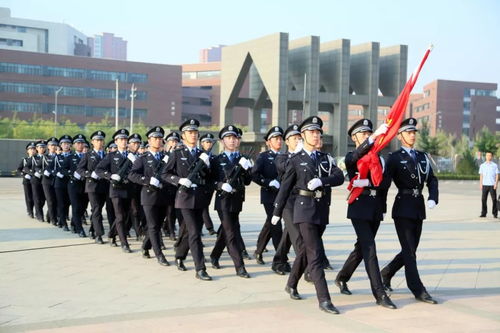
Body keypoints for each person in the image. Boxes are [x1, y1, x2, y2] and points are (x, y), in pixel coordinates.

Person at [272, 116, 345, 314]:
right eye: (312, 132)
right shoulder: (296, 160)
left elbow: (339, 177)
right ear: (303, 136)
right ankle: (324, 299)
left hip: (321, 209)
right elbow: (285, 188)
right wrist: (277, 211)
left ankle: (291, 283)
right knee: (315, 254)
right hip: (303, 210)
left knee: (305, 250)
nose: (316, 135)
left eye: (318, 132)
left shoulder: (325, 158)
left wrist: (323, 181)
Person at [333, 119, 397, 309]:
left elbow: (385, 184)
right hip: (359, 208)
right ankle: (379, 293)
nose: (367, 136)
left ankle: (342, 277)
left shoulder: (380, 158)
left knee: (362, 247)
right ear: (354, 138)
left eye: (369, 133)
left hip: (376, 207)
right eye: (363, 134)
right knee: (370, 249)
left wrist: (368, 184)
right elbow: (353, 160)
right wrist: (375, 138)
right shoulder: (352, 156)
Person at [380, 117, 439, 305]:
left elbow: (432, 179)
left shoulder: (422, 156)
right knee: (409, 251)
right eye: (408, 132)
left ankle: (386, 273)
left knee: (411, 249)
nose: (412, 135)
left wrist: (432, 197)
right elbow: (384, 183)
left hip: (418, 207)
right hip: (403, 207)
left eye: (414, 132)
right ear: (399, 136)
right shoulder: (394, 158)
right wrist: (380, 206)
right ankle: (418, 289)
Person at [161, 119, 212, 281]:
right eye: (190, 132)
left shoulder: (201, 155)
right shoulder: (177, 154)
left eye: (195, 132)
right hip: (184, 198)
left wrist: (207, 166)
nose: (194, 135)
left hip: (200, 199)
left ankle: (180, 254)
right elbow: (164, 174)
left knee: (189, 231)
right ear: (183, 136)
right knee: (195, 233)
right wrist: (179, 180)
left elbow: (208, 177)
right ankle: (200, 268)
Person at [209, 125, 252, 278]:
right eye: (228, 138)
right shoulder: (216, 160)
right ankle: (240, 267)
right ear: (222, 141)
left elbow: (247, 182)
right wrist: (220, 185)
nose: (232, 141)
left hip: (237, 200)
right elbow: (209, 181)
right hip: (223, 201)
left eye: (234, 138)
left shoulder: (243, 159)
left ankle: (214, 255)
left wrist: (247, 170)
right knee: (231, 233)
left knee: (226, 231)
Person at [129, 126, 170, 266]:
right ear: (149, 140)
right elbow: (132, 174)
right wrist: (147, 181)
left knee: (157, 225)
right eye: (155, 138)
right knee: (152, 225)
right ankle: (159, 254)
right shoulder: (143, 158)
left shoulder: (167, 158)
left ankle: (146, 246)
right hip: (148, 196)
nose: (158, 141)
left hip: (163, 196)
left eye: (160, 138)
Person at [95, 129, 134, 253]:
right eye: (121, 139)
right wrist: (110, 176)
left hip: (128, 189)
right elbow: (99, 170)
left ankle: (112, 234)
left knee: (126, 215)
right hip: (116, 190)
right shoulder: (111, 156)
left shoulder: (132, 156)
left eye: (125, 139)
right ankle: (124, 243)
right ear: (116, 141)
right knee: (120, 216)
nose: (123, 141)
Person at [270, 124, 302, 275]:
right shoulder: (281, 157)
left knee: (289, 232)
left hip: (302, 201)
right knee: (297, 236)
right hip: (288, 201)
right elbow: (286, 168)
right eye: (294, 138)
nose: (298, 141)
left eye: (299, 138)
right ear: (287, 141)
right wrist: (298, 155)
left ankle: (279, 260)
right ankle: (307, 268)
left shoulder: (304, 156)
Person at [252, 126, 284, 265]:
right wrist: (267, 182)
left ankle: (259, 250)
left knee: (270, 224)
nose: (279, 141)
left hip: (282, 195)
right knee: (276, 225)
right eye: (275, 139)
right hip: (269, 196)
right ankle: (280, 258)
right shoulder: (263, 157)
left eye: (280, 138)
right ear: (268, 142)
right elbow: (254, 175)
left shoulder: (286, 156)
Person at [76, 131, 108, 244]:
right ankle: (99, 235)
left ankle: (92, 229)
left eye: (101, 140)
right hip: (92, 186)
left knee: (98, 209)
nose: (99, 142)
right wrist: (90, 174)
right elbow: (79, 169)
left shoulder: (107, 155)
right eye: (97, 140)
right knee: (96, 208)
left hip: (104, 186)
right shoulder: (88, 155)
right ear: (92, 142)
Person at [63, 134, 87, 237]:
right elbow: (63, 169)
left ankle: (74, 223)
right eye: (78, 143)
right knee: (76, 207)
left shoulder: (88, 156)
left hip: (85, 184)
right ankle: (79, 228)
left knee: (83, 207)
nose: (80, 145)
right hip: (73, 185)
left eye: (82, 143)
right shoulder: (70, 157)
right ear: (73, 145)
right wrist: (71, 173)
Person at [199, 133, 217, 236]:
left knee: (204, 206)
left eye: (210, 142)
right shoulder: (199, 155)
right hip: (200, 185)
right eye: (207, 142)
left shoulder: (214, 157)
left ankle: (204, 227)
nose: (209, 144)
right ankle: (209, 227)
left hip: (210, 186)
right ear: (202, 144)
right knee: (203, 207)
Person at [54, 135, 72, 231]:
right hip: (59, 183)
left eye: (68, 143)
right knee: (61, 203)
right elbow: (50, 168)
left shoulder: (73, 156)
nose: (66, 145)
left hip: (69, 182)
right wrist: (57, 173)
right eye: (64, 143)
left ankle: (62, 218)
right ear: (60, 145)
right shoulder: (57, 157)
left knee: (67, 203)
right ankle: (64, 222)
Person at [41, 137, 59, 226]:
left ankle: (50, 214)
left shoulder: (59, 156)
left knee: (56, 200)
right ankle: (53, 219)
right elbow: (36, 167)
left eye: (55, 145)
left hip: (57, 180)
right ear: (48, 146)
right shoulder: (44, 157)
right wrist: (43, 172)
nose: (53, 147)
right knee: (50, 200)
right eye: (51, 145)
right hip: (47, 181)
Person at [18, 142, 36, 219]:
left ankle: (35, 210)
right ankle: (30, 211)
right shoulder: (24, 160)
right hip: (27, 181)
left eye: (34, 149)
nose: (32, 150)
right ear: (27, 151)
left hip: (36, 180)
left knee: (36, 197)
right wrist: (24, 175)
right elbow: (19, 169)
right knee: (29, 197)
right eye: (30, 149)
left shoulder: (38, 159)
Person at [478, 151, 498, 218]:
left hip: (492, 185)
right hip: (484, 185)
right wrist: (480, 183)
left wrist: (496, 183)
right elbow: (481, 175)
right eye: (487, 155)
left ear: (491, 157)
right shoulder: (482, 165)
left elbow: (497, 175)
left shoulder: (495, 165)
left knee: (494, 199)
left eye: (490, 155)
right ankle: (484, 213)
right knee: (483, 199)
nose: (488, 157)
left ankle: (495, 213)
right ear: (485, 156)